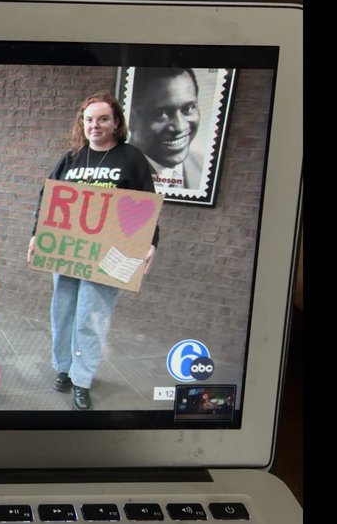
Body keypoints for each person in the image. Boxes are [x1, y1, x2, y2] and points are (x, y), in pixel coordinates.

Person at [26, 92, 160, 410]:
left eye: (102, 119)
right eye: (88, 119)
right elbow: (48, 198)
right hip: (68, 250)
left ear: (115, 123)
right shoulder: (71, 159)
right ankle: (64, 369)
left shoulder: (131, 159)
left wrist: (151, 242)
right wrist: (36, 233)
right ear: (82, 124)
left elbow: (146, 205)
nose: (94, 125)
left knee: (92, 316)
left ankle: (82, 380)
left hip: (109, 254)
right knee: (64, 312)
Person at [128, 67, 205, 190]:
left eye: (188, 108)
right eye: (161, 114)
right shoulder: (116, 169)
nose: (180, 127)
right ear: (130, 119)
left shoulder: (202, 166)